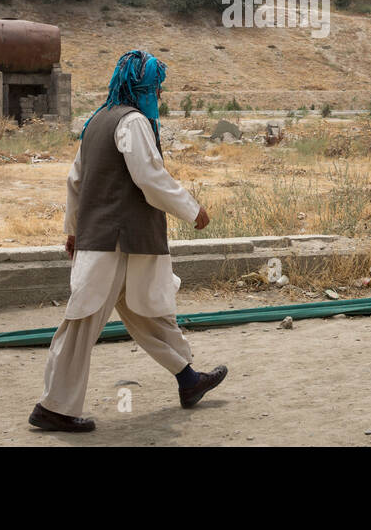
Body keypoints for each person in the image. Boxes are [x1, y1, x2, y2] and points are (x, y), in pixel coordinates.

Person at [30, 50, 227, 432]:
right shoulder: (133, 122)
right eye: (156, 87)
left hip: (113, 242)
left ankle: (188, 378)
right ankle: (53, 406)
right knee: (83, 320)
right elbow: (150, 177)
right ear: (144, 87)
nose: (159, 95)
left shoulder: (97, 121)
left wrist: (73, 230)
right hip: (116, 242)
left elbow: (75, 182)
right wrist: (191, 209)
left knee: (147, 311)